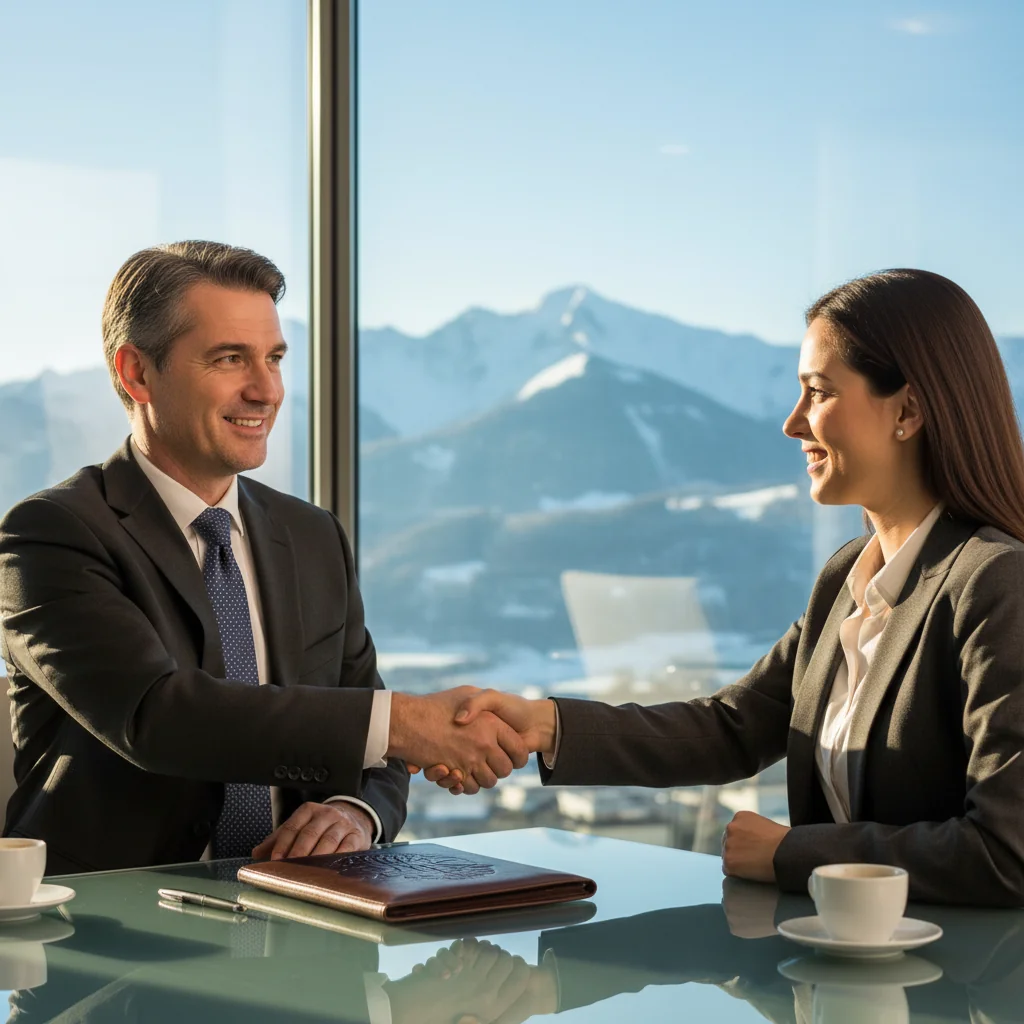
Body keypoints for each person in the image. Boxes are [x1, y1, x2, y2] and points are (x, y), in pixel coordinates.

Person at [422, 269, 1024, 907]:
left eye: (817, 392)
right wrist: (544, 724)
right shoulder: (847, 579)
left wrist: (791, 854)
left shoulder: (994, 583)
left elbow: (1007, 853)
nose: (793, 424)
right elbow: (733, 728)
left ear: (907, 411)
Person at [0, 241, 527, 875]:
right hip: (112, 936)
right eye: (229, 359)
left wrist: (353, 811)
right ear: (136, 373)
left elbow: (369, 736)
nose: (266, 389)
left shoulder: (313, 536)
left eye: (274, 358)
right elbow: (159, 717)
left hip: (304, 922)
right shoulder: (50, 533)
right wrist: (409, 723)